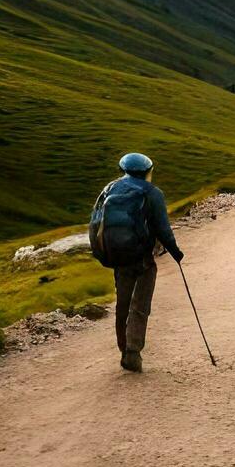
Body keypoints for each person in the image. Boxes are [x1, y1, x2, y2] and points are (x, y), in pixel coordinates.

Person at [95, 152, 183, 373]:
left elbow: (96, 223)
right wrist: (176, 253)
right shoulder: (152, 193)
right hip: (142, 258)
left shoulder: (109, 190)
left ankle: (123, 348)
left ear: (124, 170)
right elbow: (163, 228)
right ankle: (133, 352)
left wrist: (102, 252)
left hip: (118, 258)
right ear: (147, 171)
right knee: (140, 304)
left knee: (122, 303)